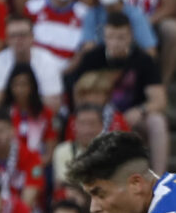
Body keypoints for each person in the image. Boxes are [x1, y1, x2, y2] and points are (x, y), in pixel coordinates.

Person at [70, 12, 169, 177]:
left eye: (121, 37)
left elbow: (160, 99)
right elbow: (78, 93)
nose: (115, 42)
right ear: (104, 36)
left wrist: (141, 110)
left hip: (132, 116)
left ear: (130, 36)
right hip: (97, 117)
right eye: (111, 37)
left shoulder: (143, 60)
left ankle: (159, 177)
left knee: (157, 121)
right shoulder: (91, 58)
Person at [0, 15, 64, 111]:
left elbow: (53, 104)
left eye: (23, 35)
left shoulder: (48, 60)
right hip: (9, 118)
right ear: (7, 40)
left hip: (39, 117)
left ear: (32, 37)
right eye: (13, 36)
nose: (18, 40)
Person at [79, 0, 158, 56]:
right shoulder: (92, 14)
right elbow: (87, 48)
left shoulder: (135, 15)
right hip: (100, 63)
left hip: (129, 62)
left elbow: (150, 51)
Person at [23, 0, 88, 67]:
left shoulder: (84, 14)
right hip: (35, 69)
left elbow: (83, 51)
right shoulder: (32, 7)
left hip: (68, 74)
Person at [0, 63, 57, 168]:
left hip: (38, 164)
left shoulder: (46, 113)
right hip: (7, 166)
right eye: (16, 85)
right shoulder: (3, 113)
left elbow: (50, 150)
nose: (20, 89)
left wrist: (36, 164)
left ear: (32, 87)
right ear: (10, 87)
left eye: (24, 84)